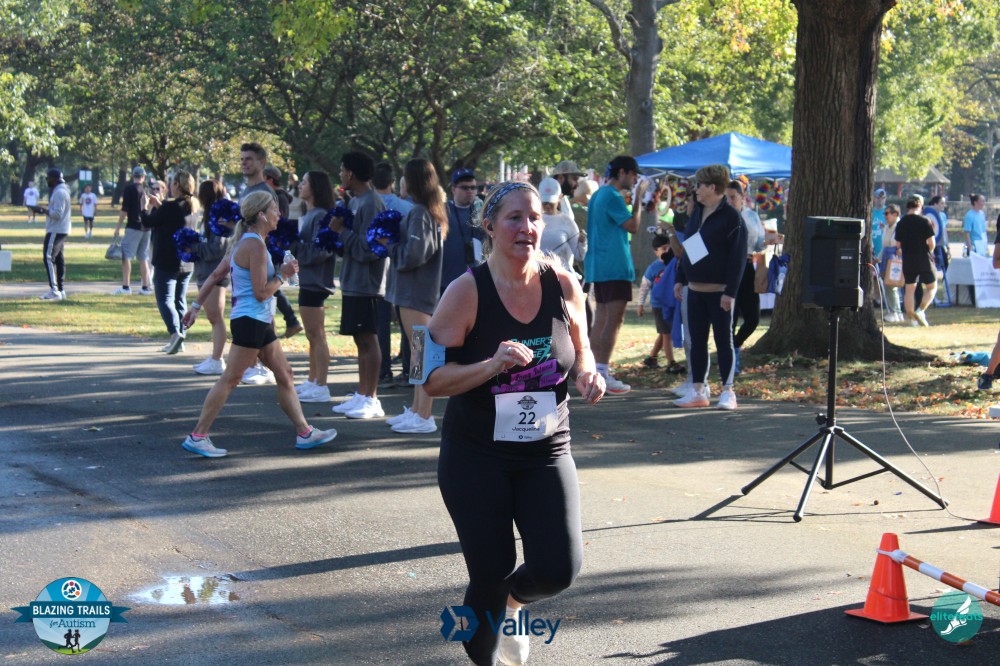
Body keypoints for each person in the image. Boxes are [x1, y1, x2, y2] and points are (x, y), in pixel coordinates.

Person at [424, 181, 605, 666]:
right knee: (491, 573)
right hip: (477, 454)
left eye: (535, 218)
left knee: (560, 568)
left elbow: (581, 346)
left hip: (546, 448)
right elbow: (432, 381)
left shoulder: (563, 284)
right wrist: (491, 365)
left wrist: (586, 373)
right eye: (514, 218)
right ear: (489, 225)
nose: (527, 227)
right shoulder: (466, 291)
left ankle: (513, 606)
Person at [179, 191, 337, 457]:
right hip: (251, 321)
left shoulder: (246, 241)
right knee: (231, 379)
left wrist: (195, 307)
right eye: (275, 209)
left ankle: (304, 432)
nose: (279, 214)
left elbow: (216, 275)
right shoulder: (254, 246)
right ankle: (198, 435)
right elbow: (261, 292)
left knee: (285, 374)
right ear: (262, 215)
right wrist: (283, 275)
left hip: (258, 322)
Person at [381, 158, 447, 434]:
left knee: (422, 352)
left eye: (405, 178)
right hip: (414, 291)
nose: (401, 183)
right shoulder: (426, 211)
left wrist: (389, 245)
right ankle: (418, 409)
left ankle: (424, 414)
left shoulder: (421, 213)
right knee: (419, 352)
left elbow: (414, 255)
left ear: (414, 181)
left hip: (416, 292)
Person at [672, 164, 747, 410]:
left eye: (700, 185)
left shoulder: (732, 217)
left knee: (724, 340)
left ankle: (728, 391)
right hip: (695, 290)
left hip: (719, 293)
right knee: (697, 340)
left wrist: (730, 292)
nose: (696, 190)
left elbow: (737, 258)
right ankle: (698, 390)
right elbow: (691, 247)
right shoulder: (698, 212)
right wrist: (680, 278)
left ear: (712, 187)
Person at [327, 151, 388, 420]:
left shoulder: (372, 203)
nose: (340, 175)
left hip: (368, 285)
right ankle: (362, 394)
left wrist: (343, 232)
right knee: (359, 339)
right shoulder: (354, 202)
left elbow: (371, 249)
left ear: (350, 173)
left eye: (342, 170)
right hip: (353, 281)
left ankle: (371, 398)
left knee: (368, 338)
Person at [585, 155, 649, 394]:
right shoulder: (612, 196)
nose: (634, 181)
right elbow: (633, 225)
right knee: (613, 319)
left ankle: (593, 372)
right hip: (614, 265)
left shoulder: (598, 194)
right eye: (633, 175)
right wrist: (639, 198)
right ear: (622, 173)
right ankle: (601, 373)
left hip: (600, 265)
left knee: (601, 318)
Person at [239, 142, 300, 384]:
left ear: (262, 162)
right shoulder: (245, 190)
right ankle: (264, 364)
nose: (244, 163)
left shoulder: (266, 191)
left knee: (263, 300)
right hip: (245, 253)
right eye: (242, 159)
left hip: (262, 252)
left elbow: (275, 223)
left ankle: (259, 364)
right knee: (257, 302)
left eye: (249, 159)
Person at [290, 171, 338, 403]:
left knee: (316, 334)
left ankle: (321, 385)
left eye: (305, 182)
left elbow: (322, 250)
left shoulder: (321, 215)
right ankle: (313, 380)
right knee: (312, 334)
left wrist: (294, 245)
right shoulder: (309, 213)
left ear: (316, 187)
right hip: (308, 279)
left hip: (316, 281)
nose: (300, 185)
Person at [141, 170, 198, 354]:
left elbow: (148, 222)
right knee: (179, 300)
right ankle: (180, 339)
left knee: (165, 300)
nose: (171, 186)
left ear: (177, 185)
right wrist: (160, 205)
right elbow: (170, 219)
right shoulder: (192, 206)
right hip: (186, 262)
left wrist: (144, 207)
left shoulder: (171, 207)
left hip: (167, 259)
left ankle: (175, 334)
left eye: (173, 183)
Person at [373, 161, 414, 388]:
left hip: (377, 271)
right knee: (409, 325)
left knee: (381, 325)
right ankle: (409, 370)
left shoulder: (368, 204)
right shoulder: (407, 208)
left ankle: (383, 371)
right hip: (402, 270)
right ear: (392, 182)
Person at [191, 180, 232, 375]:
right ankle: (215, 356)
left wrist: (195, 248)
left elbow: (218, 248)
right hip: (205, 271)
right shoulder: (208, 216)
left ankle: (217, 359)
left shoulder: (218, 217)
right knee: (212, 317)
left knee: (216, 316)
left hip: (215, 273)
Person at [724, 180, 766, 372]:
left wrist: (768, 241)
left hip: (748, 268)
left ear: (742, 197)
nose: (729, 201)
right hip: (729, 269)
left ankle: (734, 345)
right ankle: (731, 361)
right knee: (730, 318)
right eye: (726, 198)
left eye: (733, 197)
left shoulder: (751, 216)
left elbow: (760, 242)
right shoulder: (721, 217)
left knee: (753, 318)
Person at [637, 233, 679, 371]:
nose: (667, 251)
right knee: (667, 334)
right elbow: (644, 287)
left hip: (672, 304)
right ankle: (671, 363)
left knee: (664, 333)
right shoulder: (653, 268)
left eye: (669, 248)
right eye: (664, 248)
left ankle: (652, 358)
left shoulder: (675, 263)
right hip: (659, 306)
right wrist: (640, 304)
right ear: (656, 251)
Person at [895, 196, 936, 326]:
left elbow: (898, 244)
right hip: (923, 258)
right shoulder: (924, 221)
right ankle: (921, 310)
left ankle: (912, 320)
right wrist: (930, 251)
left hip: (908, 259)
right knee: (932, 287)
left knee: (909, 289)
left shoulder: (901, 222)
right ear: (920, 206)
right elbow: (931, 243)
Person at [441, 168, 484, 292]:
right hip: (446, 282)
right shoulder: (442, 212)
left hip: (475, 281)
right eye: (465, 188)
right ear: (454, 189)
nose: (470, 191)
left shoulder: (481, 213)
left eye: (473, 188)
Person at [112, 166, 153, 295]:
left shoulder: (129, 189)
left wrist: (118, 227)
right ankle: (145, 287)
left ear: (132, 176)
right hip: (146, 227)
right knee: (143, 257)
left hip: (133, 226)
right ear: (143, 177)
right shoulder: (146, 190)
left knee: (126, 256)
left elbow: (125, 210)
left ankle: (126, 287)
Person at [538, 177, 586, 275]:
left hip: (562, 277)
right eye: (545, 202)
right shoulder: (532, 219)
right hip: (536, 275)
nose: (547, 205)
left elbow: (579, 256)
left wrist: (582, 242)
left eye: (551, 202)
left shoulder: (567, 222)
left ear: (560, 197)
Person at [38, 168, 71, 301]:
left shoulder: (59, 192)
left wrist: (42, 210)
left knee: (48, 257)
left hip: (56, 229)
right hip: (62, 229)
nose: (47, 180)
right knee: (58, 259)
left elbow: (57, 214)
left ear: (55, 179)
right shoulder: (63, 191)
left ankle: (54, 290)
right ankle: (61, 290)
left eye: (48, 178)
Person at [879, 204, 904, 322]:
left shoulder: (900, 226)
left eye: (887, 213)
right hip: (887, 258)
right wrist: (878, 258)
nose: (885, 216)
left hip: (895, 259)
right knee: (889, 285)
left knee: (892, 285)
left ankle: (895, 312)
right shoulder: (887, 227)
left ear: (895, 214)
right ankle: (896, 312)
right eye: (884, 213)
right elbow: (885, 245)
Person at [924, 195, 949, 273]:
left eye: (944, 203)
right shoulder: (928, 214)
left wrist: (947, 245)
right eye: (942, 203)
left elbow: (943, 230)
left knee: (945, 263)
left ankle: (944, 278)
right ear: (935, 204)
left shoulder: (943, 215)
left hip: (941, 243)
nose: (944, 205)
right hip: (932, 242)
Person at [871, 188, 887, 270]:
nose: (880, 200)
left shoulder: (888, 212)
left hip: (883, 251)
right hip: (871, 249)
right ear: (874, 198)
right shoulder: (869, 211)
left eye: (883, 198)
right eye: (878, 197)